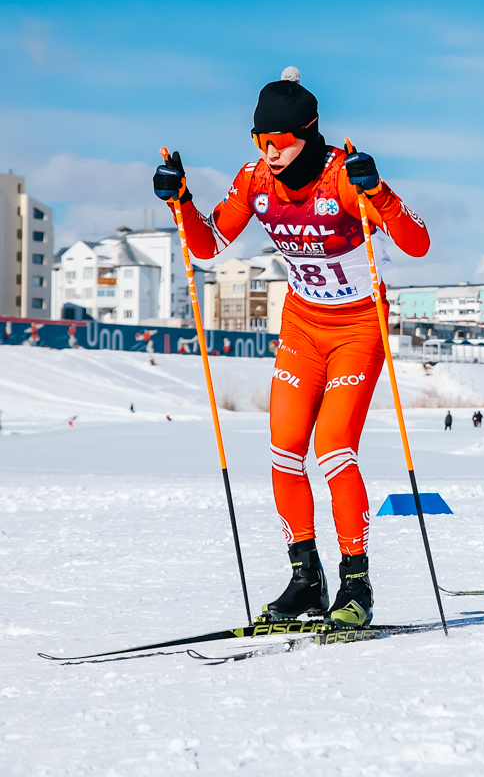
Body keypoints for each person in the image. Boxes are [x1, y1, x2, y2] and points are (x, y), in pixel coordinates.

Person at [153, 67, 430, 627]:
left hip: (357, 327)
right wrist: (180, 200)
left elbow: (417, 243)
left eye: (278, 141)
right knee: (284, 449)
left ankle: (356, 584)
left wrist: (380, 191)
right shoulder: (256, 181)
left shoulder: (344, 179)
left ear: (308, 132)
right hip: (302, 326)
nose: (270, 153)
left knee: (333, 448)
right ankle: (306, 578)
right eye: (260, 141)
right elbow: (206, 246)